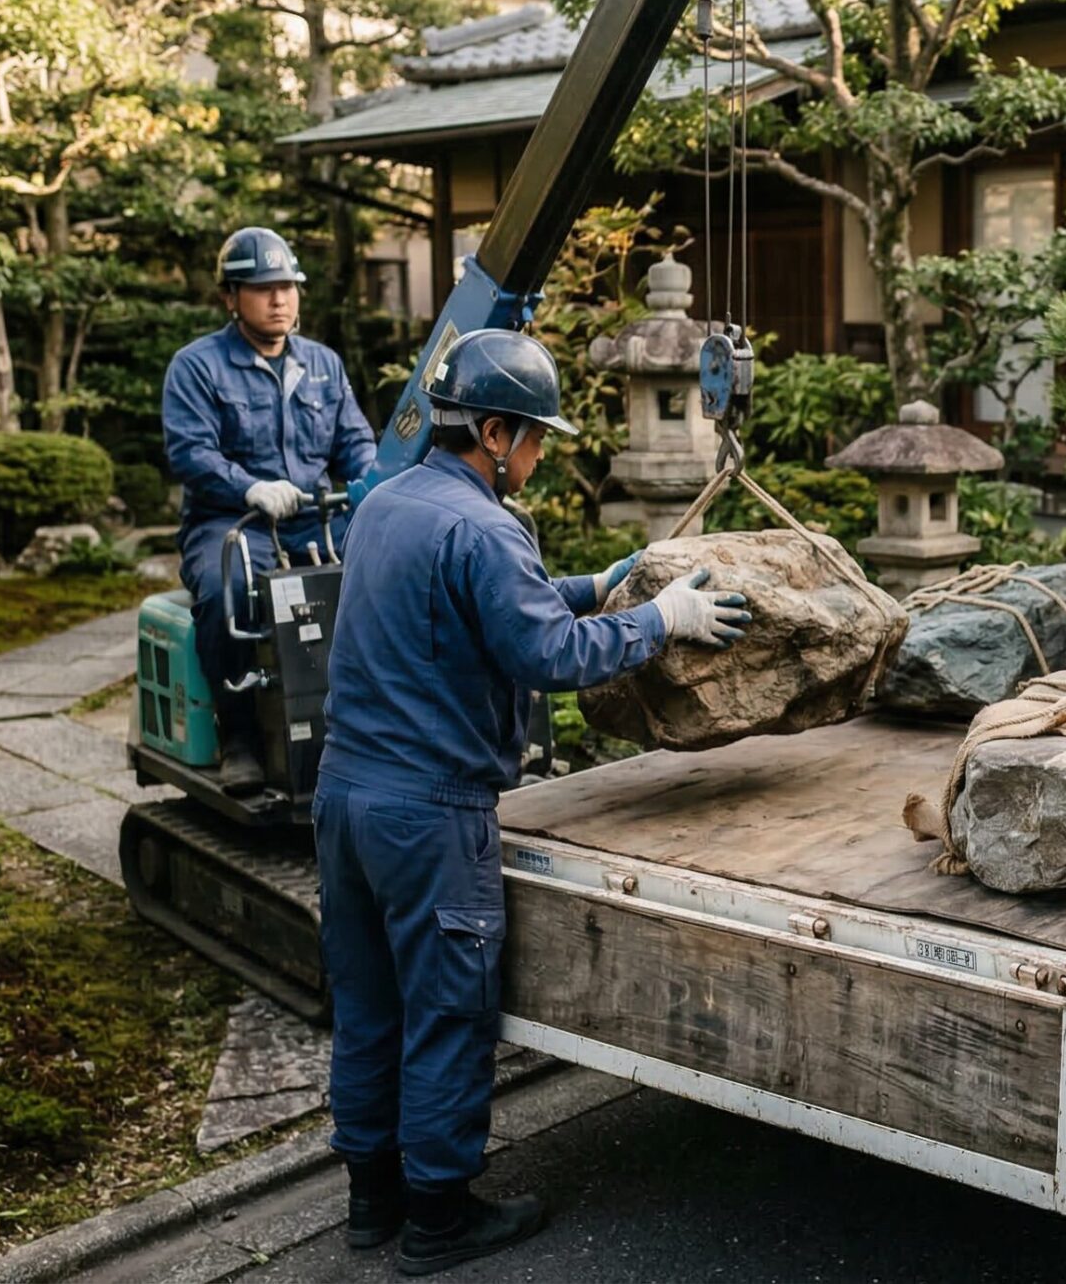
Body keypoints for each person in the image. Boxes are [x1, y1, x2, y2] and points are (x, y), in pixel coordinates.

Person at [313, 328, 749, 1276]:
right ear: (498, 431)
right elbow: (547, 654)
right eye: (538, 437)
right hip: (429, 810)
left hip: (346, 797)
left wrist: (598, 585)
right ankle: (437, 1220)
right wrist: (656, 620)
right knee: (444, 1009)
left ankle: (369, 1202)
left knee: (369, 1001)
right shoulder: (483, 524)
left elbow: (486, 606)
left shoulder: (388, 505)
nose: (541, 455)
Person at [163, 227, 378, 788]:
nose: (279, 299)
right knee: (223, 590)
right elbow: (191, 452)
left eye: (287, 286)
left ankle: (377, 722)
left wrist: (374, 484)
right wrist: (247, 487)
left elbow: (355, 443)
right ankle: (239, 736)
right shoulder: (197, 366)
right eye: (262, 288)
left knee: (392, 567)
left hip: (318, 516)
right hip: (232, 520)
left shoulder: (324, 365)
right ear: (231, 298)